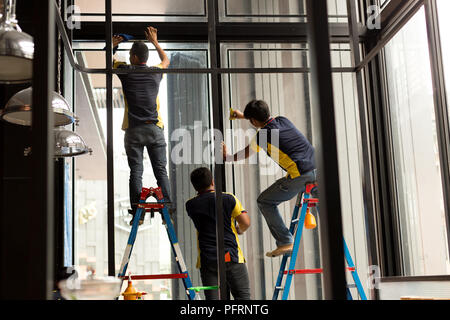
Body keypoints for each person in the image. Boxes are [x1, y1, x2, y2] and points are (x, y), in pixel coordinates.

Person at [223, 100, 317, 258]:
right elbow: (261, 118)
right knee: (324, 209)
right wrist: (244, 116)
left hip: (301, 175)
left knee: (265, 201)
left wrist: (227, 157)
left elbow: (247, 152)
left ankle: (285, 241)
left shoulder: (263, 136)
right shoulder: (283, 120)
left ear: (253, 120)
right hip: (318, 169)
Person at [112, 27, 171, 226]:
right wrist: (155, 41)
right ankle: (167, 212)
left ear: (135, 57)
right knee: (160, 171)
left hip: (134, 131)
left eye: (130, 55)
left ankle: (138, 212)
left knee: (136, 172)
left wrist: (113, 46)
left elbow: (108, 62)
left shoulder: (126, 71)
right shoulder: (156, 73)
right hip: (154, 129)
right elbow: (166, 61)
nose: (128, 58)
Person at [186, 167, 251, 300]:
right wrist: (239, 230)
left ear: (195, 186)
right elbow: (246, 222)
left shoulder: (191, 205)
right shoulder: (228, 198)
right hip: (231, 256)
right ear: (213, 182)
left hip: (208, 260)